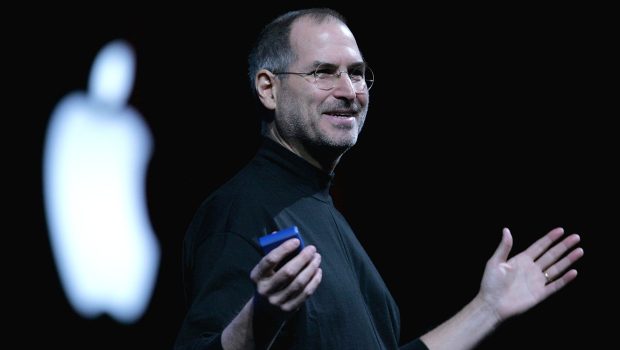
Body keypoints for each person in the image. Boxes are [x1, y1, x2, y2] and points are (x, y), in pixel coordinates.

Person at [174, 8, 584, 350]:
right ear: (269, 89)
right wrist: (256, 322)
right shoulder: (241, 211)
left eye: (356, 73)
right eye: (323, 72)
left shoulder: (321, 210)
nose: (349, 91)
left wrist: (488, 307)